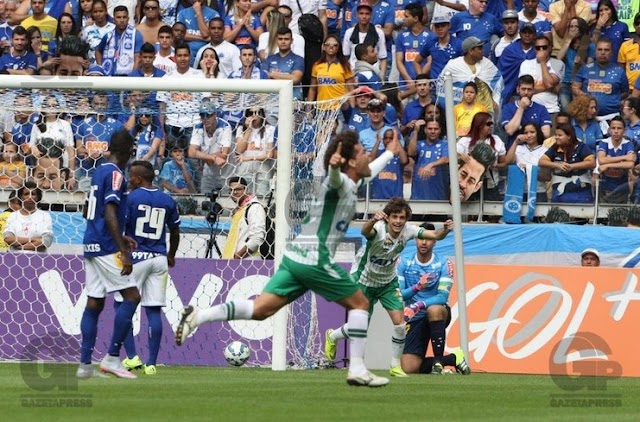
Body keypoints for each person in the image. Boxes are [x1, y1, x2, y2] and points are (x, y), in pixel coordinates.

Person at [176, 130, 402, 387]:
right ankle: (358, 368)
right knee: (360, 304)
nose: (366, 154)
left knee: (261, 310)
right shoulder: (337, 184)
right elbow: (335, 179)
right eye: (362, 152)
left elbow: (369, 170)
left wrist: (390, 153)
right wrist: (334, 168)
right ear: (349, 162)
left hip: (295, 257)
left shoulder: (353, 183)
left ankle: (199, 316)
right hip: (314, 257)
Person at [324, 198, 453, 377]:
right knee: (359, 327)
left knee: (400, 324)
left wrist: (445, 230)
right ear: (388, 218)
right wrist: (372, 220)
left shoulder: (409, 231)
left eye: (402, 217)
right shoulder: (378, 229)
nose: (398, 221)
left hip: (388, 283)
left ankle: (394, 366)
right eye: (394, 217)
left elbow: (436, 236)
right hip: (364, 280)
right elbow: (365, 231)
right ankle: (332, 336)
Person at [77, 129, 140, 379]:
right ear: (127, 150)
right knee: (132, 296)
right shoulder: (115, 174)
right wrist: (122, 249)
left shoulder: (99, 171)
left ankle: (84, 366)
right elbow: (111, 211)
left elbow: (89, 210)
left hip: (91, 240)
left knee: (95, 302)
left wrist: (117, 234)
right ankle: (113, 358)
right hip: (105, 245)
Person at [119, 160, 181, 375]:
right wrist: (171, 254)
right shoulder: (167, 200)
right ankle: (152, 363)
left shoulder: (131, 198)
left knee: (123, 307)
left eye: (130, 176)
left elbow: (122, 228)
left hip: (136, 257)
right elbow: (174, 231)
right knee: (153, 310)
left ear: (138, 178)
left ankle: (132, 357)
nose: (128, 179)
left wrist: (125, 255)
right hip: (159, 257)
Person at [398, 222, 471, 375]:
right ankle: (452, 359)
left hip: (438, 313)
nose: (424, 242)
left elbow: (442, 296)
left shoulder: (443, 263)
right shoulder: (404, 262)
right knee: (409, 368)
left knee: (434, 309)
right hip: (414, 317)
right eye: (420, 238)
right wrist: (417, 287)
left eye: (428, 238)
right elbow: (400, 294)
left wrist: (419, 304)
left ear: (434, 241)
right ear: (415, 239)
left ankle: (438, 361)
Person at [572, 38, 629, 120]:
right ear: (595, 51)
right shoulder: (585, 69)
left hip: (612, 117)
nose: (603, 53)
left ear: (611, 53)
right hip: (588, 116)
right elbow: (574, 87)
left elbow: (625, 92)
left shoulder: (619, 71)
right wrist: (586, 97)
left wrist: (614, 99)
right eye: (600, 49)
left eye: (606, 50)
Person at [539, 122, 596, 203]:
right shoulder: (554, 148)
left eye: (560, 135)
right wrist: (557, 165)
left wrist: (572, 166)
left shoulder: (580, 146)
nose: (556, 137)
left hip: (581, 189)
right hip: (559, 190)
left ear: (569, 136)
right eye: (556, 135)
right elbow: (541, 161)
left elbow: (592, 162)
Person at [457, 112, 507, 201]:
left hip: (490, 183)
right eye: (488, 124)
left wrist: (495, 165)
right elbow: (451, 160)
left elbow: (504, 164)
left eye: (492, 124)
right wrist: (461, 158)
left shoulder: (496, 140)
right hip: (469, 184)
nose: (491, 126)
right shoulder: (465, 141)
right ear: (479, 125)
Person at [188, 107, 233, 194]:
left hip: (226, 172)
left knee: (225, 199)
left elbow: (224, 154)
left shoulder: (224, 126)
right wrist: (213, 158)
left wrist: (202, 155)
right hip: (208, 171)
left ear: (215, 115)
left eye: (208, 115)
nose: (205, 119)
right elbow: (191, 152)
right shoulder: (198, 127)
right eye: (202, 116)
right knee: (204, 197)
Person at [220, 176, 266, 259]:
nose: (234, 192)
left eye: (238, 189)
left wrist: (237, 257)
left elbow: (257, 238)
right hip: (234, 263)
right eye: (231, 190)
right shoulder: (239, 210)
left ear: (246, 190)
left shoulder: (254, 207)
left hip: (248, 263)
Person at [501, 75, 552, 149]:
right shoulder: (508, 108)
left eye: (529, 89)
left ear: (533, 91)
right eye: (523, 89)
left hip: (535, 151)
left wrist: (525, 136)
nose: (526, 92)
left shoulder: (541, 109)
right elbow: (510, 131)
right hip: (514, 151)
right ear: (518, 89)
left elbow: (546, 133)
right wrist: (521, 108)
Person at [504, 122, 549, 203]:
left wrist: (528, 168)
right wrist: (515, 142)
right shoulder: (518, 148)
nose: (529, 135)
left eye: (532, 132)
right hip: (519, 192)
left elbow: (547, 177)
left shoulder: (545, 151)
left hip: (538, 192)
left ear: (538, 133)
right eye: (526, 133)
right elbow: (508, 161)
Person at [2, 181, 53, 252]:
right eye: (26, 194)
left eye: (33, 194)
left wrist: (20, 246)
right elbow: (8, 238)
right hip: (15, 260)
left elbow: (47, 241)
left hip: (38, 260)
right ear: (21, 197)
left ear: (37, 197)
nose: (30, 197)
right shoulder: (13, 216)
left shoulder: (44, 216)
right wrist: (31, 239)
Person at [95, 5, 144, 76]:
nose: (122, 20)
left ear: (128, 19)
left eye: (124, 17)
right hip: (109, 75)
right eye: (118, 17)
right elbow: (98, 51)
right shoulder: (109, 35)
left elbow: (138, 58)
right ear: (113, 19)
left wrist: (132, 77)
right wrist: (101, 68)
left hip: (128, 76)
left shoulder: (135, 34)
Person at [596, 116, 635, 204]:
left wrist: (608, 165)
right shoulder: (604, 143)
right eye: (613, 128)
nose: (616, 131)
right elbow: (601, 160)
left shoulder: (628, 144)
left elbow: (630, 164)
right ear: (609, 130)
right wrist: (624, 157)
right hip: (605, 186)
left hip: (622, 187)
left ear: (625, 131)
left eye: (619, 128)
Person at [408, 118, 449, 201]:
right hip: (418, 196)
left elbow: (446, 159)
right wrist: (416, 131)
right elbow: (411, 153)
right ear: (425, 130)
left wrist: (431, 165)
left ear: (440, 130)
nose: (433, 131)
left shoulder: (445, 144)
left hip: (439, 196)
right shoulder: (419, 144)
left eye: (436, 129)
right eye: (430, 129)